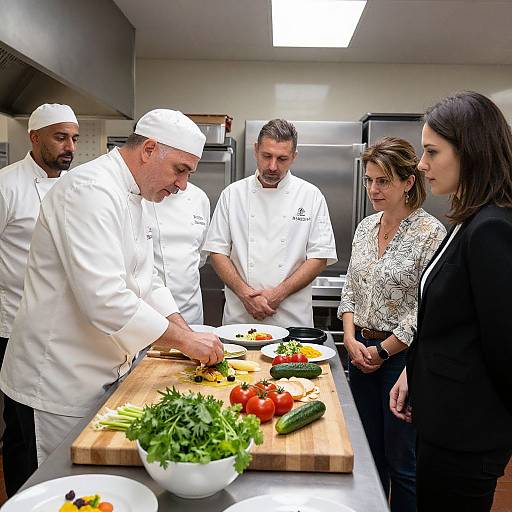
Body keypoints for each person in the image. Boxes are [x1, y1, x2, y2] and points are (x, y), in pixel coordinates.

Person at [0, 109, 224, 495]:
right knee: (52, 493)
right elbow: (105, 298)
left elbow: (145, 278)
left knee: (84, 491)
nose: (183, 185)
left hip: (97, 371)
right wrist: (186, 342)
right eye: (180, 170)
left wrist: (183, 328)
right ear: (149, 150)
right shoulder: (90, 190)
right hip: (57, 379)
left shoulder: (133, 196)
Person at [390, 91, 512, 512]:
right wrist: (414, 372)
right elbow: (455, 326)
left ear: (471, 152)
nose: (421, 164)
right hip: (442, 422)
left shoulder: (492, 228)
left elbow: (504, 349)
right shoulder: (468, 219)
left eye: (431, 151)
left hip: (467, 436)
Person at [339, 137, 446, 512]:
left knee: (403, 464)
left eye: (383, 180)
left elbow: (424, 309)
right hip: (360, 357)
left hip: (401, 364)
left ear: (408, 181)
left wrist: (383, 351)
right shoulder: (366, 227)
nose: (373, 189)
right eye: (369, 180)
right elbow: (351, 287)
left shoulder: (430, 233)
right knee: (367, 461)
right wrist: (350, 339)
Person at [0, 104, 79, 497]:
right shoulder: (6, 185)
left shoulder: (75, 186)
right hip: (10, 322)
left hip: (59, 326)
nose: (70, 147)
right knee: (17, 424)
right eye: (60, 137)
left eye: (74, 138)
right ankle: (19, 499)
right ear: (34, 137)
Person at [204, 118, 337, 327]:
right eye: (267, 156)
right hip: (241, 318)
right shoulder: (232, 194)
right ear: (256, 150)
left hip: (292, 320)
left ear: (294, 157)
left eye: (282, 158)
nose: (272, 166)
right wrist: (246, 294)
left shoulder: (311, 196)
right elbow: (217, 252)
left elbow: (319, 257)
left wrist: (278, 294)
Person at [143, 180, 210, 325]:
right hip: (150, 311)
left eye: (189, 172)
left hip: (191, 312)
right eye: (179, 169)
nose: (183, 184)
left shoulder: (200, 198)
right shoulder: (143, 197)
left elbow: (201, 254)